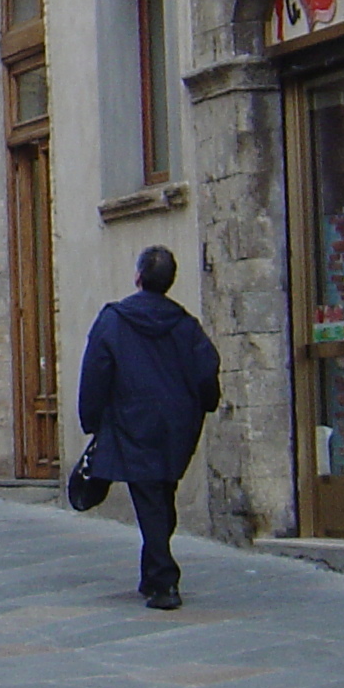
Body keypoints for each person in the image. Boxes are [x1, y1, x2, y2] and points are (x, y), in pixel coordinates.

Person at [76, 245, 222, 611]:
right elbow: (206, 372)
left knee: (152, 499)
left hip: (132, 419)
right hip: (178, 423)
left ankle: (163, 582)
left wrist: (92, 419)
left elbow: (96, 370)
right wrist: (206, 402)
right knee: (159, 495)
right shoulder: (186, 326)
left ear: (138, 277)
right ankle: (152, 572)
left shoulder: (113, 321)